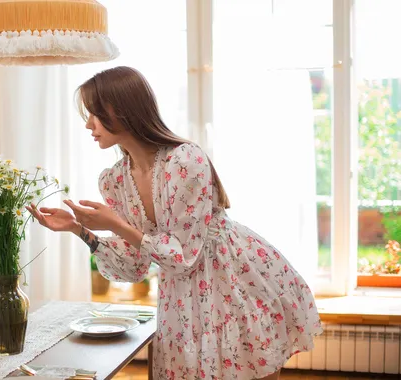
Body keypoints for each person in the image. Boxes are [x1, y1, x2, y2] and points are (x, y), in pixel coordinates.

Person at [26, 66, 323, 380]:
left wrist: (115, 224)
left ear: (123, 110)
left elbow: (184, 255)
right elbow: (132, 266)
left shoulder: (185, 160)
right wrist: (79, 229)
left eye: (95, 113)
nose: (88, 124)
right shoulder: (113, 181)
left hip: (231, 279)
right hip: (180, 298)